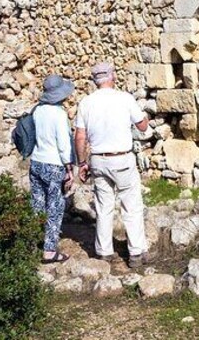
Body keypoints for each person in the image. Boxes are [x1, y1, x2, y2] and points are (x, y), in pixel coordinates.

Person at [75, 62, 151, 268]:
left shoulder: (86, 103)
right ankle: (136, 253)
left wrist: (82, 163)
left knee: (103, 207)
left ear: (94, 80)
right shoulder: (125, 98)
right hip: (122, 157)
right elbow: (142, 126)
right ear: (112, 76)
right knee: (131, 205)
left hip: (98, 159)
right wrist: (143, 117)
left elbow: (80, 136)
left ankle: (104, 252)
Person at [29, 74, 75, 263]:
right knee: (55, 206)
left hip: (36, 161)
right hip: (54, 164)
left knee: (37, 204)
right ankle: (49, 251)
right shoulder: (59, 114)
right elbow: (63, 145)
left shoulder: (37, 110)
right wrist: (69, 167)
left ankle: (32, 243)